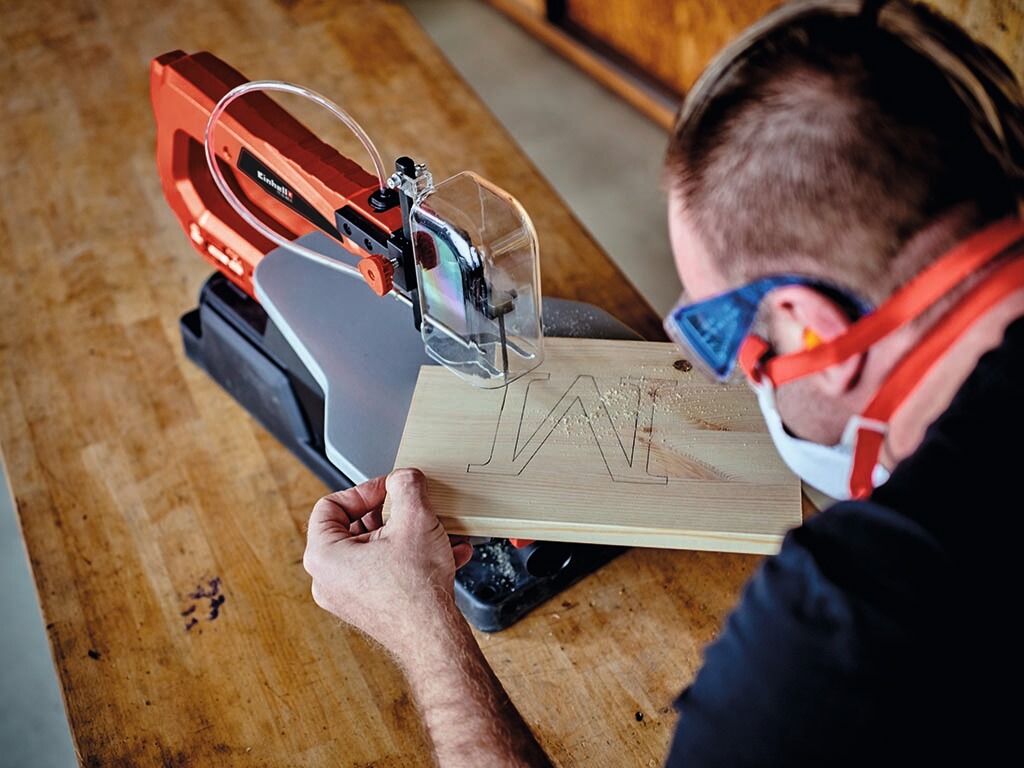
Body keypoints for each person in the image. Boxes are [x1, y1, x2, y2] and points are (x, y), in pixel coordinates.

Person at [302, 0, 1024, 765]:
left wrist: (421, 625)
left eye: (731, 339)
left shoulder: (843, 631)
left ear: (813, 327)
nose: (738, 375)